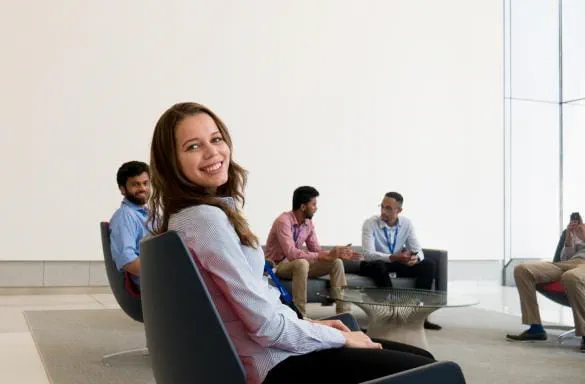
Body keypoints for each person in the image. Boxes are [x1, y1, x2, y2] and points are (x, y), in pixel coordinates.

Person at [148, 102, 437, 384]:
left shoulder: (193, 216)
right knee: (432, 372)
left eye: (216, 139)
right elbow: (265, 327)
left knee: (418, 357)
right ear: (170, 162)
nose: (213, 152)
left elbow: (258, 308)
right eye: (193, 146)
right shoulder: (205, 219)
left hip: (273, 349)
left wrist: (311, 325)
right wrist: (340, 338)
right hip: (274, 361)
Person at [264, 186, 357, 316]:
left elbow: (316, 249)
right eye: (313, 204)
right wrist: (322, 255)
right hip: (277, 266)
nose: (316, 208)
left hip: (296, 264)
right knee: (302, 263)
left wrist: (335, 253)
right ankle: (300, 314)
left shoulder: (308, 223)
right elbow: (291, 253)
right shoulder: (283, 221)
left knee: (336, 262)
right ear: (303, 207)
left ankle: (344, 312)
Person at [359, 192, 441, 330]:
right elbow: (368, 254)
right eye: (382, 206)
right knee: (379, 266)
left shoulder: (406, 224)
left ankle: (419, 316)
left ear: (399, 210)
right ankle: (390, 313)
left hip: (395, 263)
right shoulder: (370, 224)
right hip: (373, 264)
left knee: (428, 264)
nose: (383, 211)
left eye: (389, 208)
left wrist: (415, 258)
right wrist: (393, 257)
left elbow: (417, 249)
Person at [507, 213, 585, 352]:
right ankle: (535, 328)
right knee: (522, 270)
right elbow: (563, 258)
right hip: (568, 263)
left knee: (570, 277)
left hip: (581, 268)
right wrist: (570, 238)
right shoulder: (581, 229)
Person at [109, 161, 151, 287]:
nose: (142, 188)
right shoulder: (125, 216)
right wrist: (163, 273)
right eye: (135, 184)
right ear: (123, 189)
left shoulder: (149, 214)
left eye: (145, 183)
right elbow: (127, 259)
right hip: (152, 284)